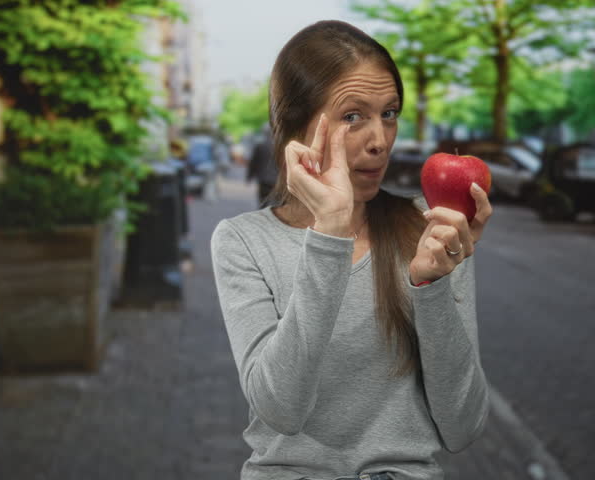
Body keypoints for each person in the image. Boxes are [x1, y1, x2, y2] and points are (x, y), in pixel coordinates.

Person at [211, 20, 492, 480]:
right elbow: (281, 408)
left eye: (389, 113)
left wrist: (431, 284)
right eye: (352, 116)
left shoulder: (431, 230)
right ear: (294, 128)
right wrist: (331, 236)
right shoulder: (243, 241)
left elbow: (462, 427)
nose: (380, 141)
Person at [246, 125, 278, 207]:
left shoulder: (260, 146)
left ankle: (264, 215)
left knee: (263, 201)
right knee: (276, 203)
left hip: (263, 179)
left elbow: (254, 162)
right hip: (277, 180)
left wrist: (249, 176)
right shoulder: (280, 146)